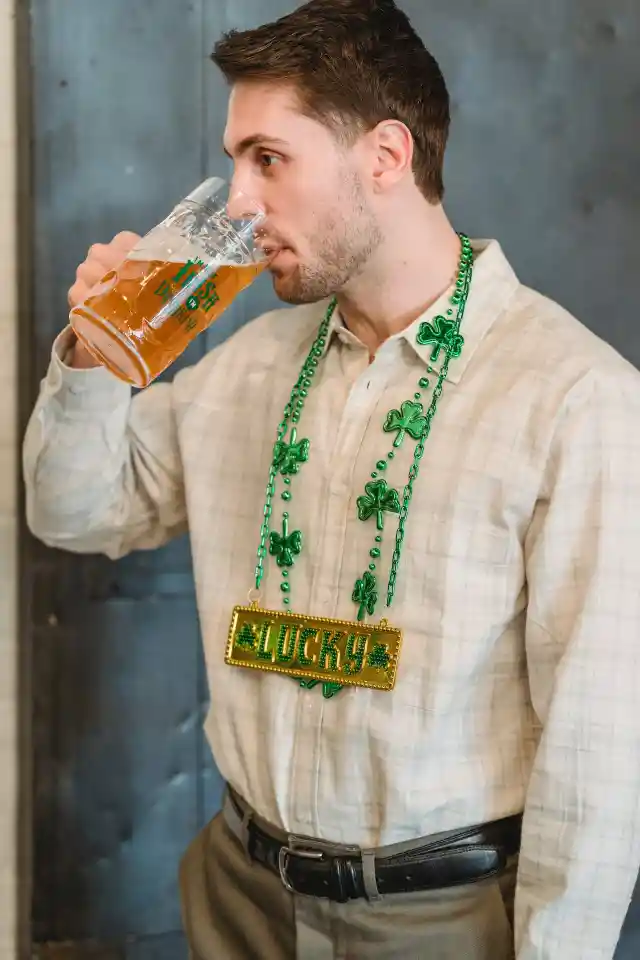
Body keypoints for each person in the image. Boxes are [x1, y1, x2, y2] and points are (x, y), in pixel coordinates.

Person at [22, 0, 640, 957]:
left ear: (385, 156)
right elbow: (72, 511)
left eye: (268, 159)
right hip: (238, 896)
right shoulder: (246, 367)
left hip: (439, 920)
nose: (239, 201)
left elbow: (600, 751)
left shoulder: (576, 399)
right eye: (236, 161)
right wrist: (95, 359)